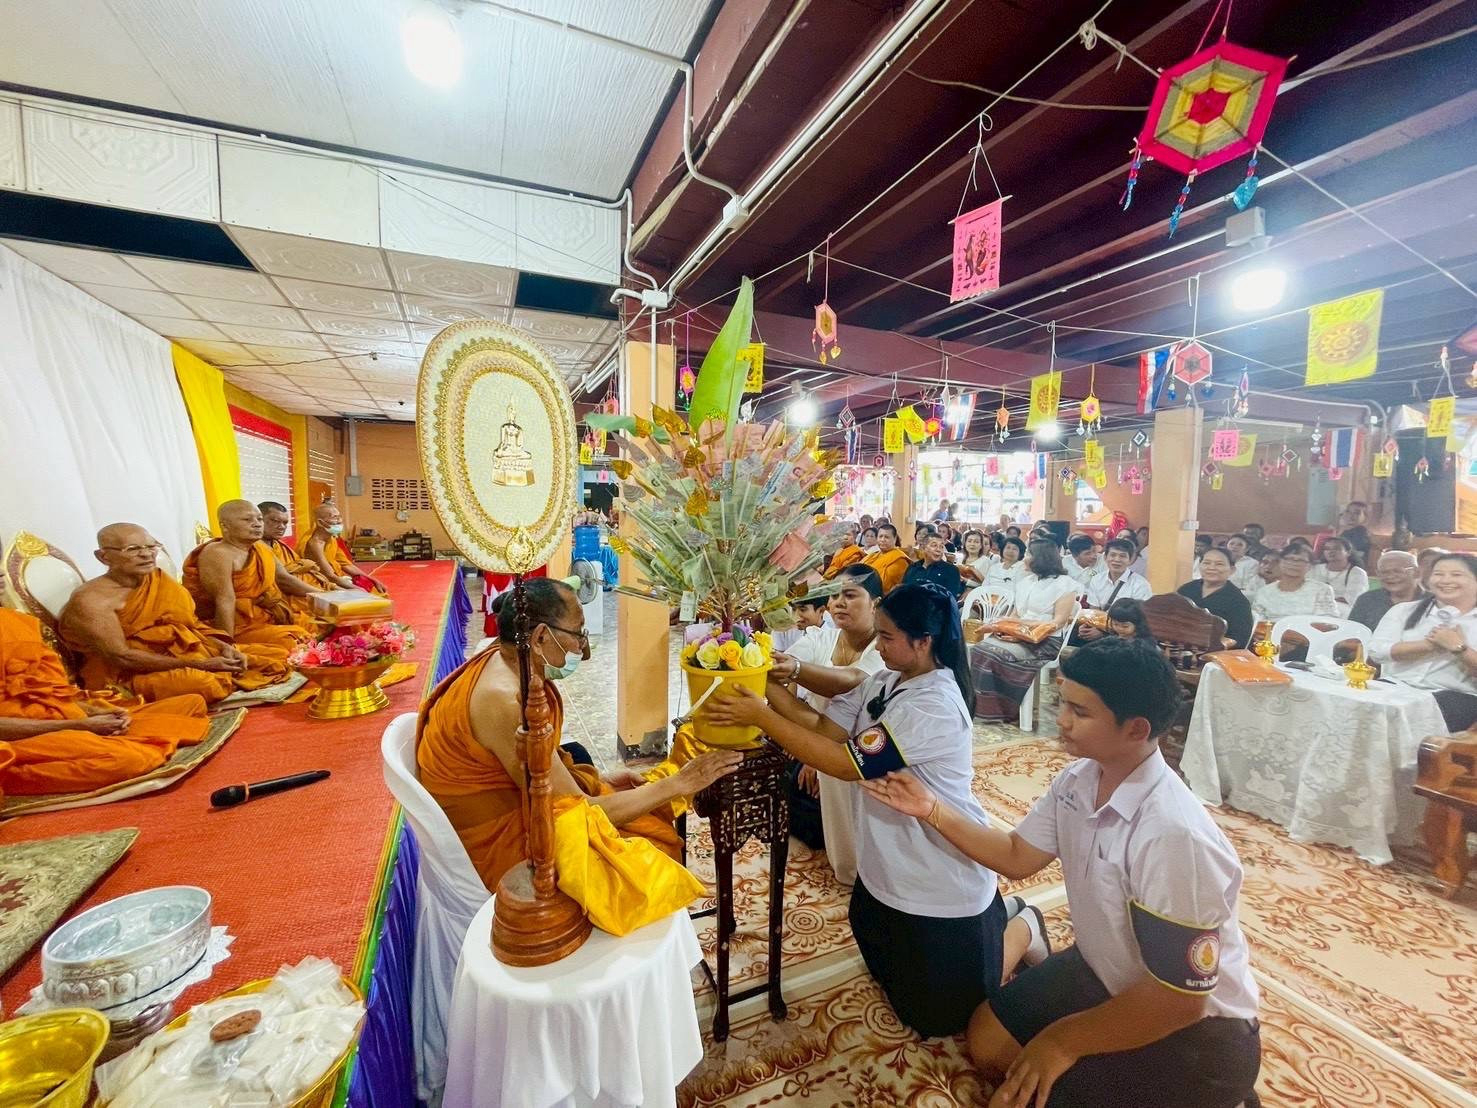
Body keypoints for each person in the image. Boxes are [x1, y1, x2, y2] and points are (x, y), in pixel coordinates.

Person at [863, 637, 1261, 1108]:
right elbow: (1017, 856)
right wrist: (932, 808)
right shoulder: (1079, 779)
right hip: (1104, 970)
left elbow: (1181, 999)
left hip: (1198, 1032)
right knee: (987, 1042)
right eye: (1063, 702)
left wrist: (1061, 1041)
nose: (1062, 719)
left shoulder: (1174, 836)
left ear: (1136, 729)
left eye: (1080, 711)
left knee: (1026, 1097)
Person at [707, 583, 1036, 1037]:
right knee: (889, 976)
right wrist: (757, 680)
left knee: (942, 1020)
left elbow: (845, 764)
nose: (877, 646)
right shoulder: (885, 680)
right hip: (888, 869)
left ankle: (1024, 925)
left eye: (886, 637)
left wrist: (760, 716)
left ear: (923, 642)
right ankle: (997, 917)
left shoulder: (933, 704)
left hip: (938, 878)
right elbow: (822, 727)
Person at [417, 578, 740, 891]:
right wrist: (681, 783)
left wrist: (601, 779)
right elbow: (578, 811)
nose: (582, 647)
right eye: (578, 632)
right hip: (501, 842)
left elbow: (536, 773)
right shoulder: (504, 699)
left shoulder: (506, 654)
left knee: (635, 806)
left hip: (512, 800)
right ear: (540, 637)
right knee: (650, 854)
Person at [61, 524, 294, 702]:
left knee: (274, 657)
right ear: (103, 557)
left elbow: (191, 626)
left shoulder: (157, 580)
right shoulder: (92, 601)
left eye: (151, 546)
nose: (146, 554)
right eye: (133, 549)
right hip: (127, 675)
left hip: (186, 652)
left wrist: (225, 647)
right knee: (204, 684)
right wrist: (204, 665)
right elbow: (122, 657)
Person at [0, 607, 210, 800]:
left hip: (61, 716)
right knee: (131, 759)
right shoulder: (91, 600)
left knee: (192, 704)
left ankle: (111, 738)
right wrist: (79, 726)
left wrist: (95, 711)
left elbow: (48, 691)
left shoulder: (12, 621)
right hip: (18, 740)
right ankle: (11, 776)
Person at [771, 564, 888, 882]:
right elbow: (786, 671)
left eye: (850, 595)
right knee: (832, 824)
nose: (839, 603)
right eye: (834, 597)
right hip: (823, 739)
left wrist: (794, 669)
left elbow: (850, 681)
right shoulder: (821, 637)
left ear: (875, 603)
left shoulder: (885, 646)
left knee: (868, 826)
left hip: (870, 752)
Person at [971, 539, 1082, 723]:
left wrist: (1023, 628)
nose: (1024, 558)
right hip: (1018, 633)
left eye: (1029, 554)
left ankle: (1004, 710)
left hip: (1045, 639)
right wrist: (1005, 628)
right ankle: (983, 707)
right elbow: (1015, 614)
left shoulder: (1065, 585)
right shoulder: (1026, 581)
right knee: (980, 649)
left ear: (1041, 558)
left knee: (997, 654)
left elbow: (1059, 622)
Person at [183, 501, 317, 651]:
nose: (257, 524)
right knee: (292, 644)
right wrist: (226, 646)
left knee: (318, 626)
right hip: (235, 625)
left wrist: (327, 596)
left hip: (266, 617)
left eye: (259, 519)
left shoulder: (260, 548)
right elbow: (225, 600)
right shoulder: (218, 553)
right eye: (247, 520)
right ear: (225, 526)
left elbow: (283, 577)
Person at [1371, 553, 1477, 730]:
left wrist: (1458, 648)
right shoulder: (1404, 611)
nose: (1445, 580)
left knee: (1397, 720)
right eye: (1438, 574)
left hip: (1455, 697)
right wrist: (1428, 645)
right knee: (1357, 708)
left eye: (1456, 575)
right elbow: (1377, 652)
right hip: (1396, 686)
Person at [303, 502, 389, 595]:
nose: (339, 521)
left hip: (335, 580)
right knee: (367, 597)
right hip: (318, 584)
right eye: (334, 517)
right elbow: (329, 575)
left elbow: (346, 565)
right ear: (320, 522)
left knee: (376, 591)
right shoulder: (314, 544)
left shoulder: (332, 540)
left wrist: (372, 580)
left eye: (339, 517)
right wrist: (358, 590)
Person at [1177, 547, 1254, 648]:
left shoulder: (1238, 601)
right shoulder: (1187, 589)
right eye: (1207, 563)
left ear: (1232, 570)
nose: (1211, 567)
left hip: (1213, 651)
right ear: (1199, 565)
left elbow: (1239, 638)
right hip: (1177, 646)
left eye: (1219, 564)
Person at [1251, 544, 1337, 621]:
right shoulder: (1264, 592)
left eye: (1301, 560)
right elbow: (1256, 621)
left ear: (1310, 566)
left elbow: (1328, 622)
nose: (1294, 563)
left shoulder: (1321, 590)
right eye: (1289, 559)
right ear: (1280, 562)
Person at [1349, 550, 1424, 631]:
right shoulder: (1367, 599)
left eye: (1398, 571)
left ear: (1417, 572)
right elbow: (1351, 632)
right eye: (1384, 572)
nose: (1390, 576)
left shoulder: (1431, 602)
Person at [1083, 538, 1151, 614]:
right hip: (1101, 620)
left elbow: (1140, 614)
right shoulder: (1097, 580)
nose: (1117, 559)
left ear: (1130, 560)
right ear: (1105, 557)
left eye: (1122, 556)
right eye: (1113, 555)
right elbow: (1094, 611)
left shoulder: (1141, 584)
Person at [1311, 536, 1369, 617]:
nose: (1331, 551)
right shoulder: (1315, 569)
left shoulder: (1357, 573)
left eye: (1336, 548)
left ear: (1348, 552)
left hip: (1343, 612)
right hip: (1313, 608)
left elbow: (1352, 599)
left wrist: (1324, 601)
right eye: (1327, 549)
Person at [904, 532, 965, 598]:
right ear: (923, 548)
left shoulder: (951, 570)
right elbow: (903, 591)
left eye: (941, 546)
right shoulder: (913, 567)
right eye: (934, 545)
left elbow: (950, 598)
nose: (938, 550)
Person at [863, 523, 911, 592]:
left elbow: (885, 584)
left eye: (887, 537)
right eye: (880, 536)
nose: (882, 540)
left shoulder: (899, 559)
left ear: (895, 539)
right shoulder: (873, 555)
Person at [1338, 501, 1373, 567]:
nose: (1351, 516)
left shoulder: (1361, 532)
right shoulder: (1344, 531)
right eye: (1348, 512)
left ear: (1365, 517)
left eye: (1356, 513)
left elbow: (1354, 552)